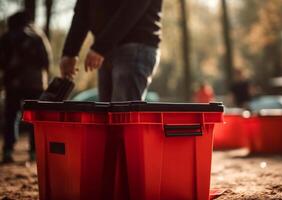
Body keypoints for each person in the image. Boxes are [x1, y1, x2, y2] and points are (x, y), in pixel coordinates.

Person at [60, 0, 162, 102]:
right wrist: (70, 52)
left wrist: (101, 46)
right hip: (106, 51)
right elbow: (84, 7)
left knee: (123, 113)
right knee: (106, 114)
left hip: (135, 45)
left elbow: (135, 5)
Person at [0, 11, 51, 163]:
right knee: (35, 118)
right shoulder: (37, 36)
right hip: (35, 83)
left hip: (13, 82)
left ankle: (8, 151)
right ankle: (35, 152)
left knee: (11, 116)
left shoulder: (6, 37)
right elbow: (46, 60)